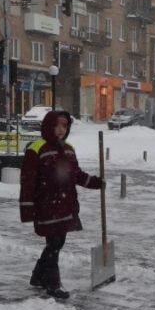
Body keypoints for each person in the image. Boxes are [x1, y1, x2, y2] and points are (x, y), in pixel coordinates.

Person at [19, 110, 102, 299]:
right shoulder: (36, 148)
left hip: (65, 205)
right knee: (54, 243)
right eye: (57, 125)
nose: (60, 130)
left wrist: (95, 182)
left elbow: (76, 175)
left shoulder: (68, 148)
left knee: (57, 242)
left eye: (64, 126)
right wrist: (27, 208)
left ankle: (38, 276)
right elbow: (28, 181)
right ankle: (53, 284)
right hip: (46, 205)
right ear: (49, 126)